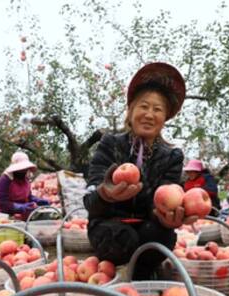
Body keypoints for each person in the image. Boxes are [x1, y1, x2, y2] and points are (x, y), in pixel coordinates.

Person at [83, 62, 195, 280]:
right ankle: (119, 275)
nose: (149, 114)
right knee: (120, 237)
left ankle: (142, 275)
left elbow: (164, 200)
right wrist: (105, 193)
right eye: (143, 106)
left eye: (157, 109)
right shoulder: (110, 144)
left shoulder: (172, 157)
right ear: (131, 110)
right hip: (108, 227)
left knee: (159, 236)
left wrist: (167, 216)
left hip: (146, 229)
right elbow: (89, 200)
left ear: (165, 118)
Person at [0, 152, 50, 219]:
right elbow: (2, 203)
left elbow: (28, 196)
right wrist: (20, 207)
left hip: (24, 216)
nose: (24, 171)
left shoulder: (25, 180)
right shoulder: (5, 180)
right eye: (21, 169)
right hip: (6, 217)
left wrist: (37, 200)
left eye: (25, 169)